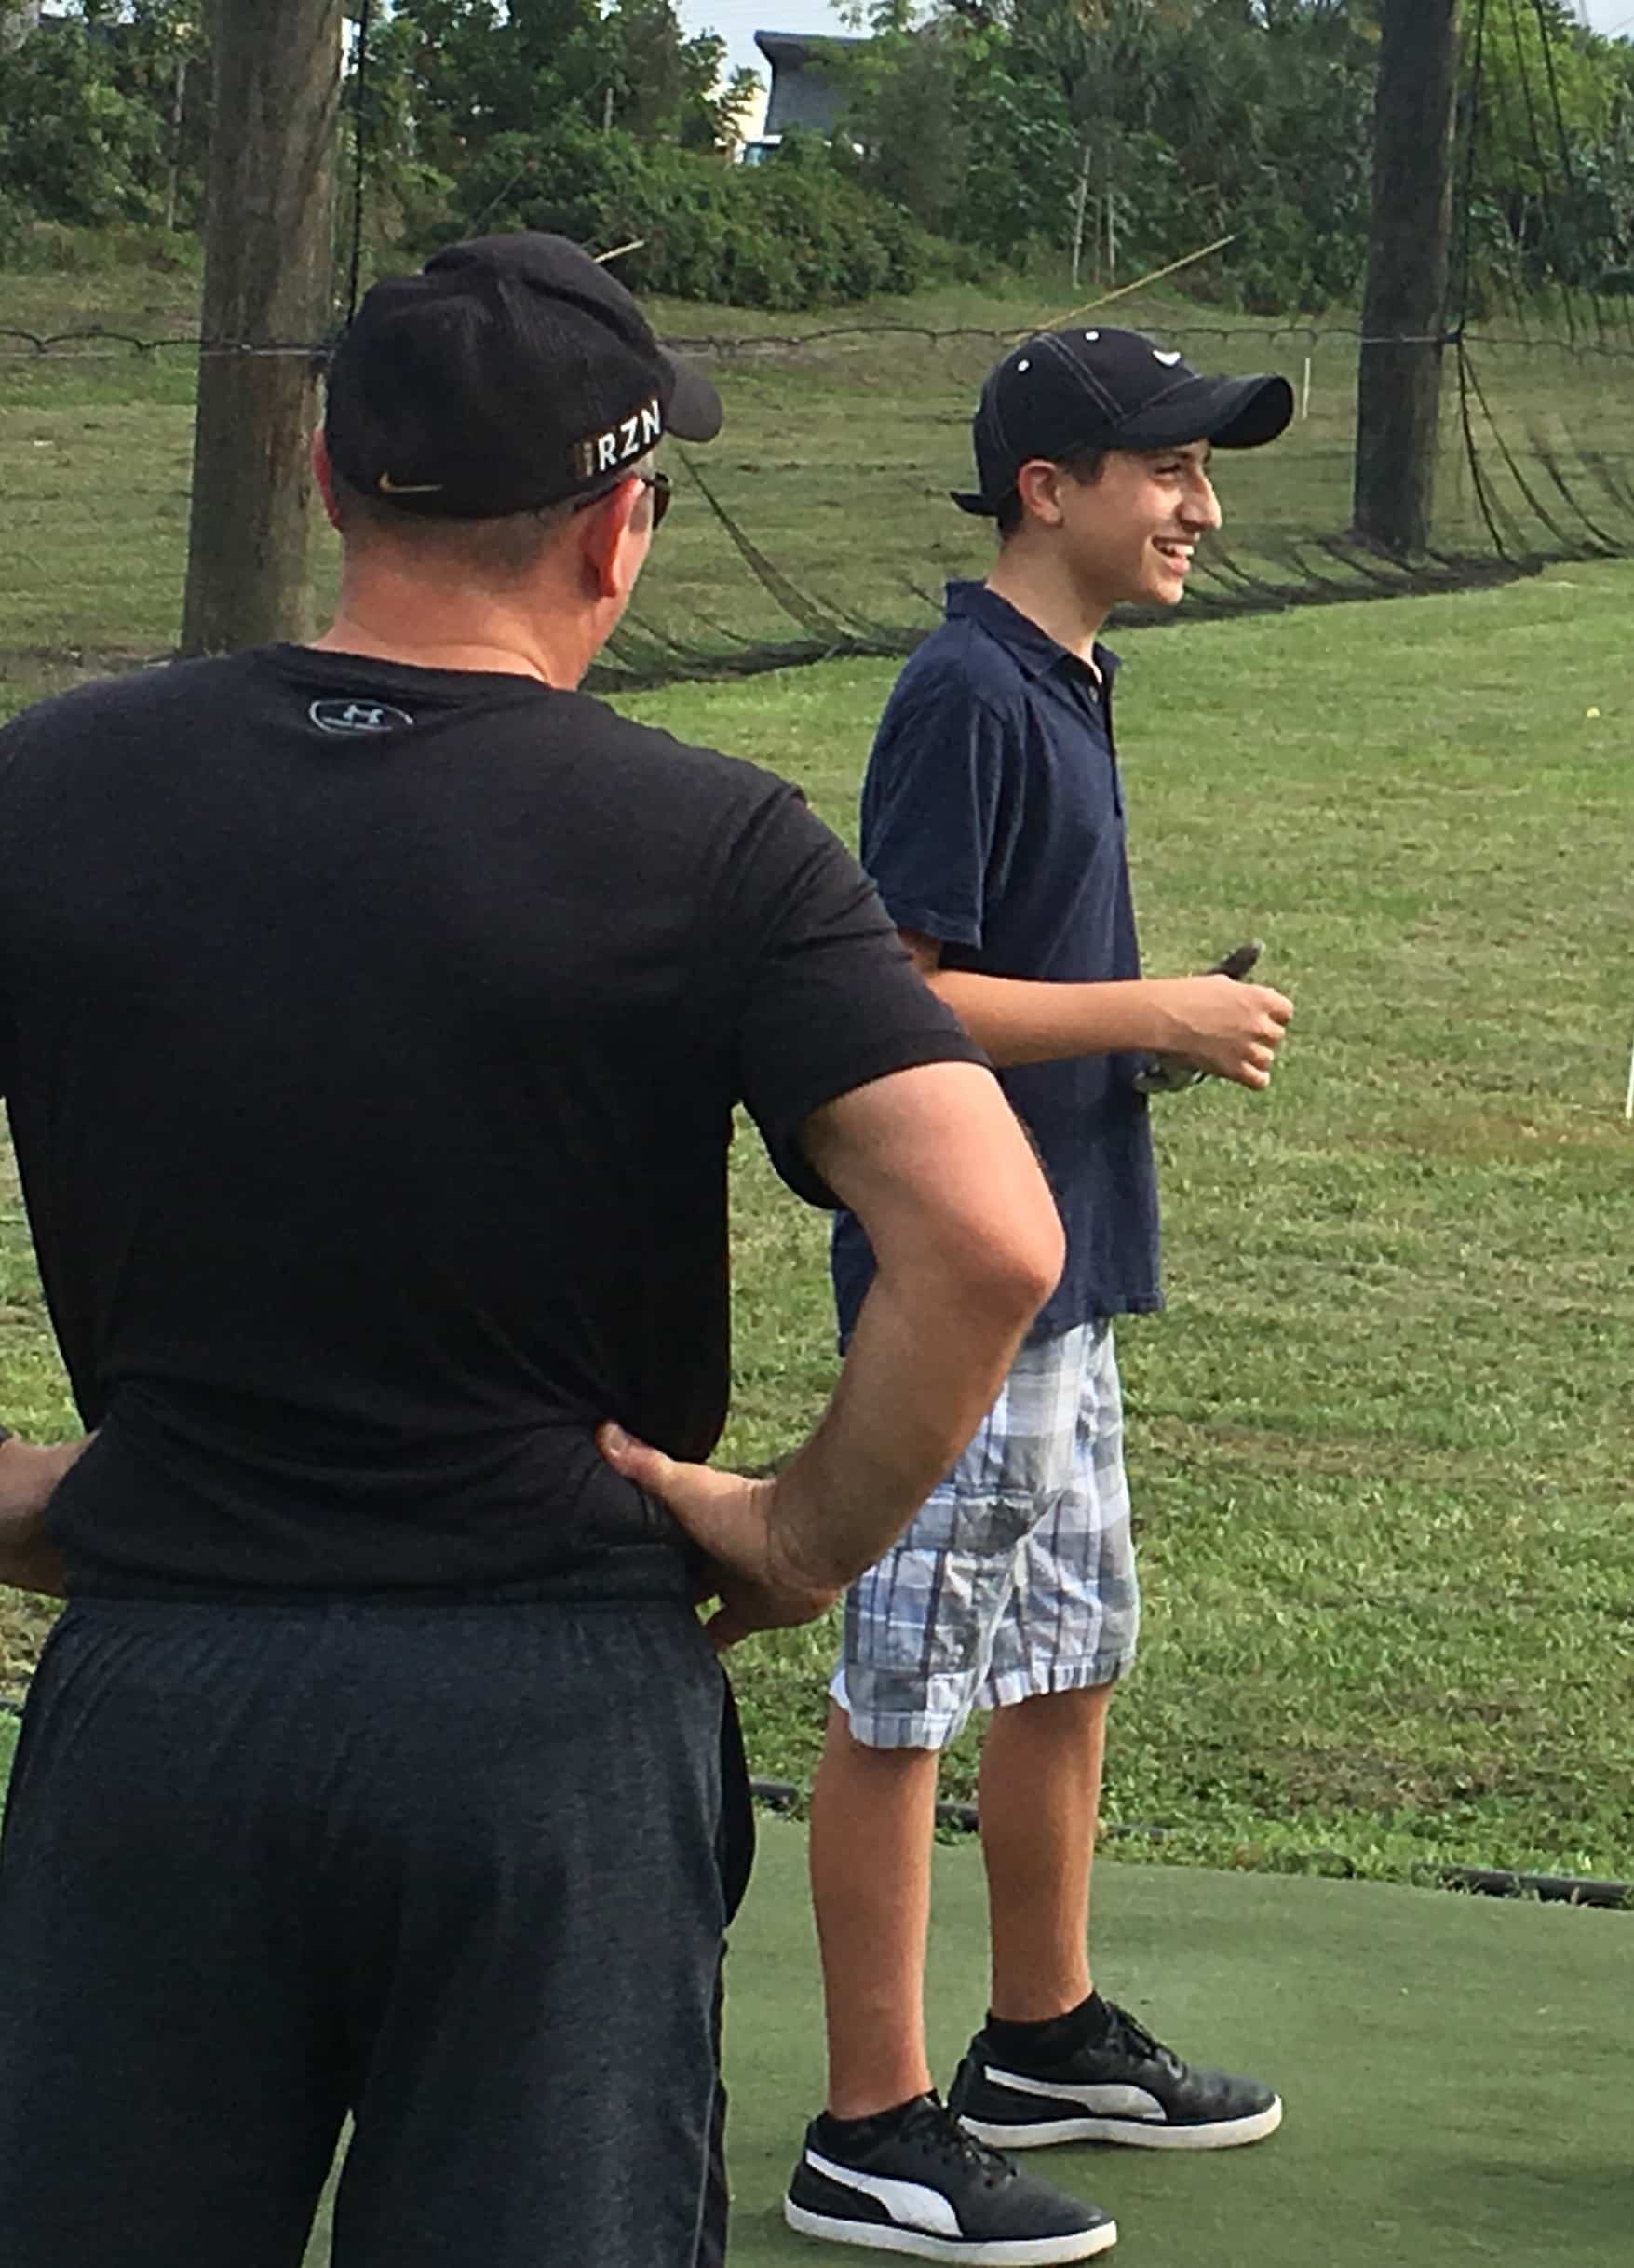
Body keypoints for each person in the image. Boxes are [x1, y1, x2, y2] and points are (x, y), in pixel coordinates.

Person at [0, 232, 1074, 2266]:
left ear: (326, 478)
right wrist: (792, 1540)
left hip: (163, 1696)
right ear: (620, 529)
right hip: (545, 1728)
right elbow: (988, 1239)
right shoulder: (716, 846)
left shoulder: (53, 785)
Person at [785, 329, 1298, 2266]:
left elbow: (1010, 989)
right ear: (1046, 490)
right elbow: (891, 998)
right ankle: (868, 2124)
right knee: (904, 1690)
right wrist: (1143, 1008)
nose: (1203, 508)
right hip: (957, 1291)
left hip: (1067, 1269)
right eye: (1166, 469)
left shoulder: (1063, 683)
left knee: (1071, 1652)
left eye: (1202, 471)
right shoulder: (964, 694)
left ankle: (1039, 2032)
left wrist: (1133, 1049)